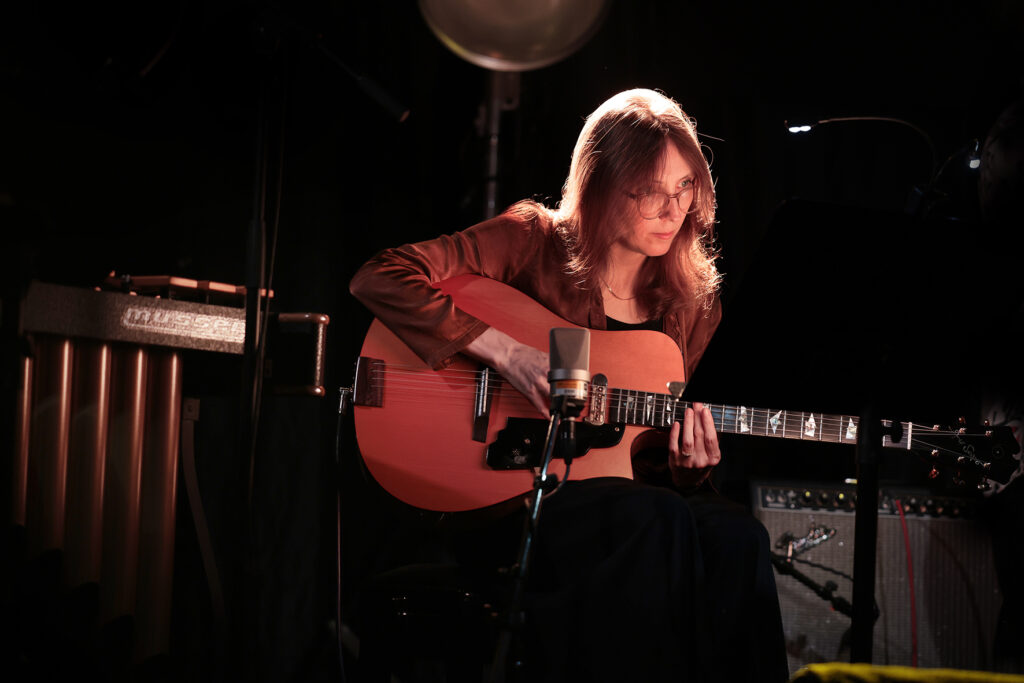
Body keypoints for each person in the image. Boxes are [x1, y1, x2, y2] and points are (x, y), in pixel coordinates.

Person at [350, 88, 789, 682]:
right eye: (650, 191)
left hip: (632, 506)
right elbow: (380, 277)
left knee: (738, 536)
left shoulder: (693, 301)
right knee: (656, 518)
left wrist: (688, 467)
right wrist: (505, 352)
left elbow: (654, 465)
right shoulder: (532, 240)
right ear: (603, 184)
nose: (672, 210)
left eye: (685, 187)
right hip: (511, 497)